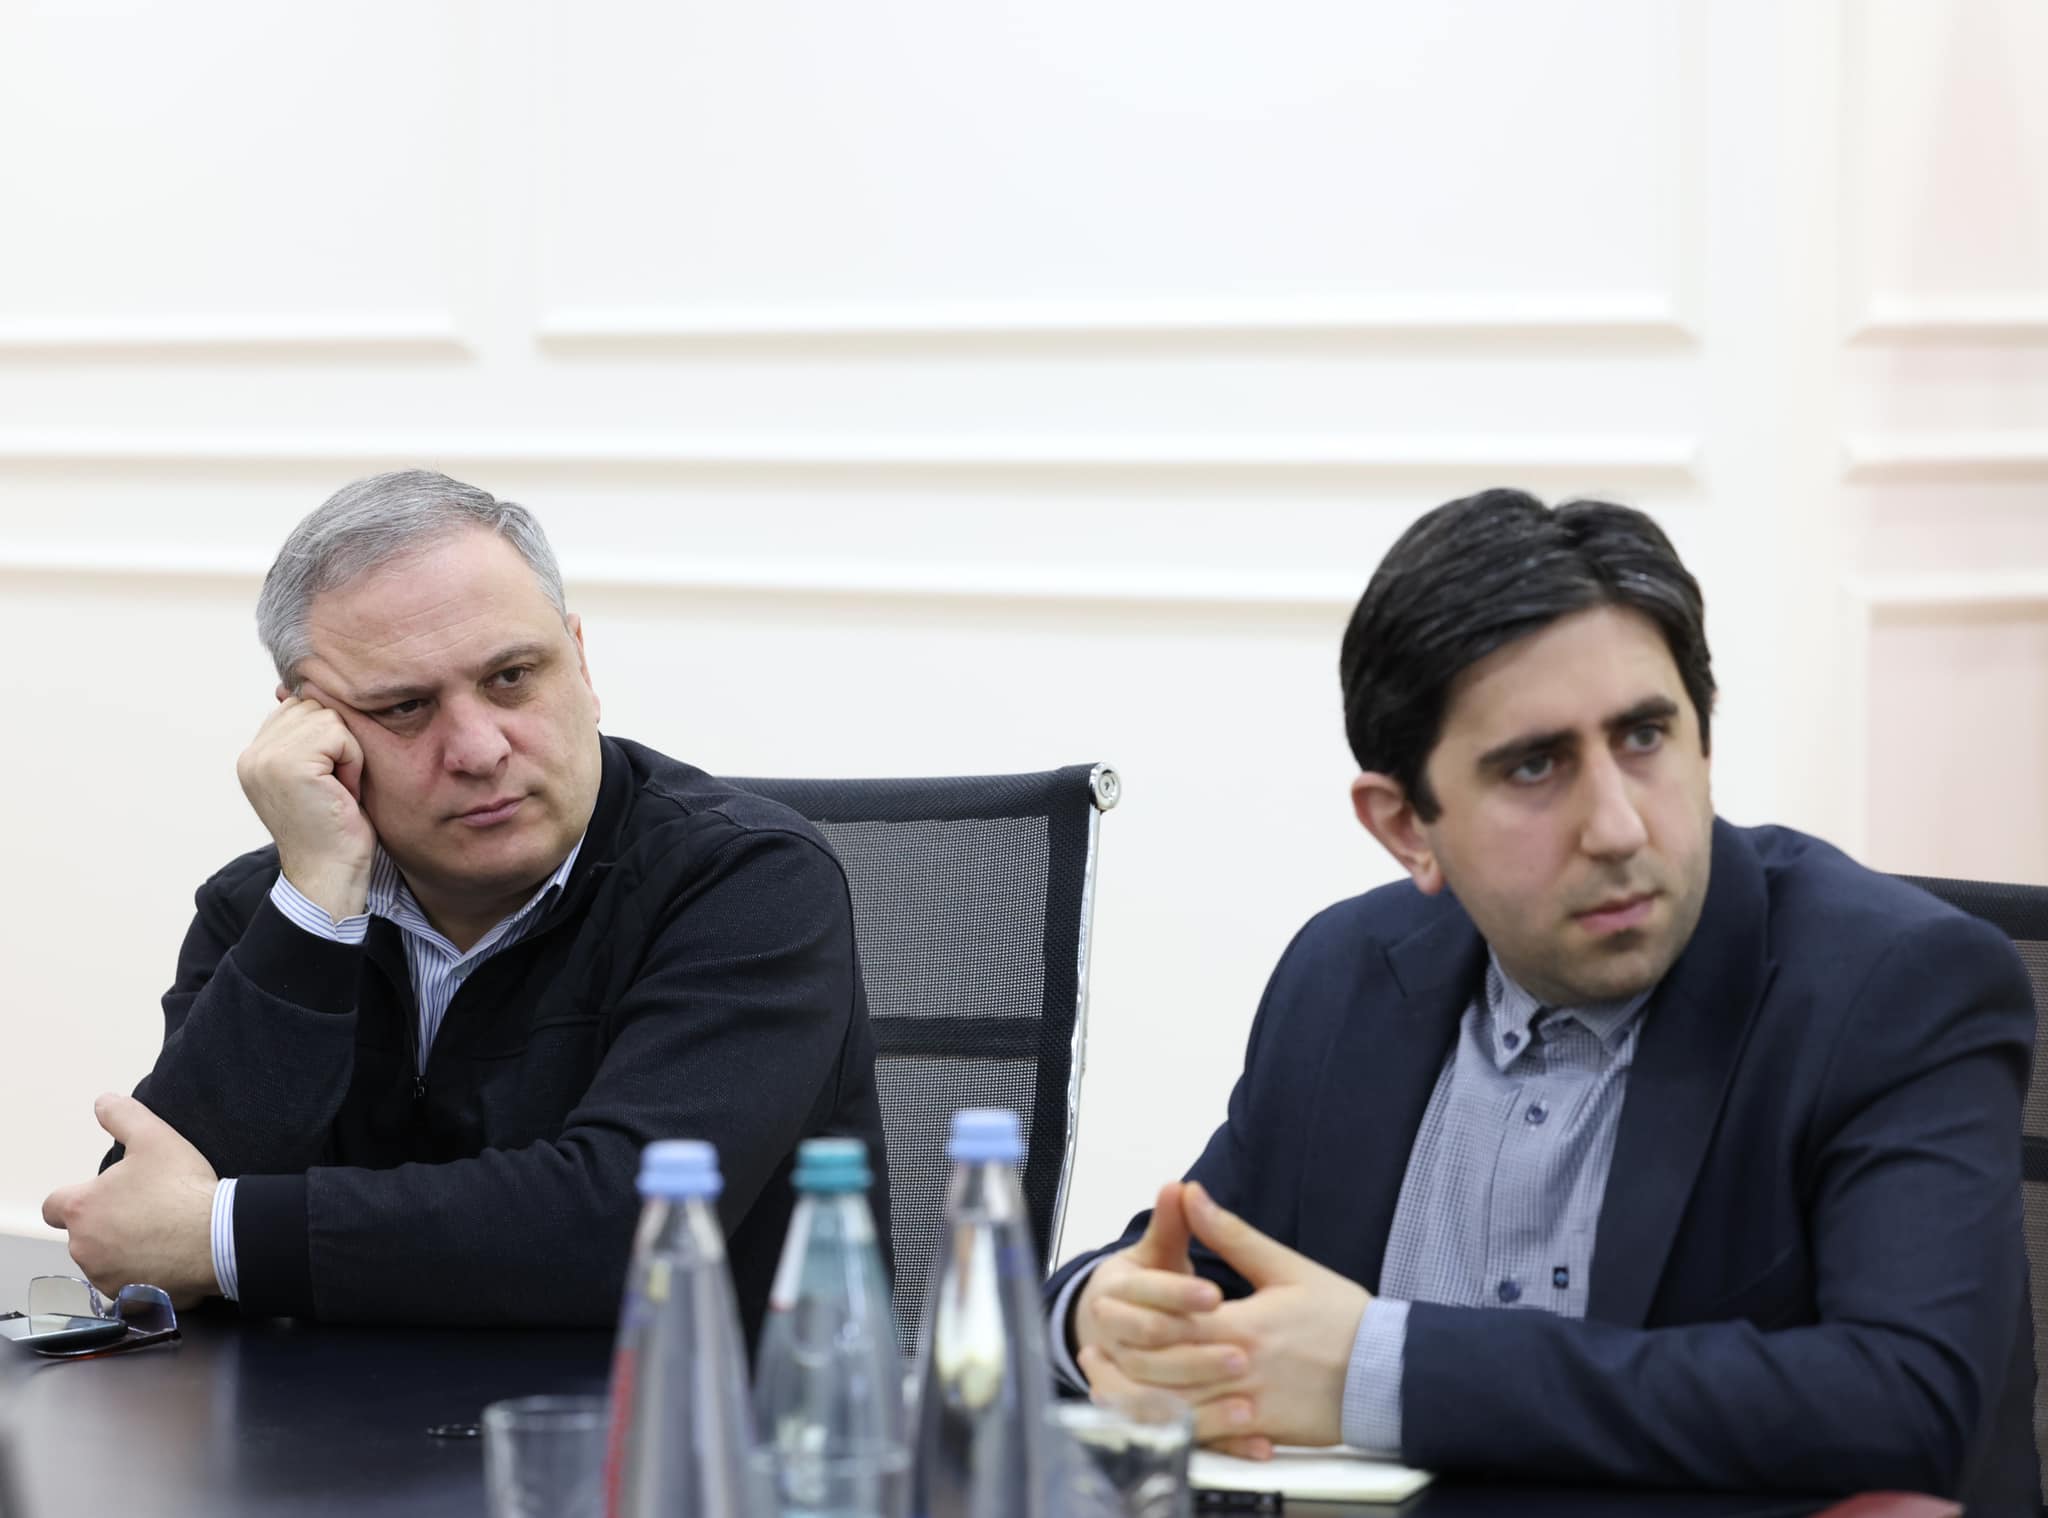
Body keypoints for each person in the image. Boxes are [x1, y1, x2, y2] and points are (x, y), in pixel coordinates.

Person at [1046, 489, 2037, 1508]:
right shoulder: (1348, 974)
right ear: (1406, 827)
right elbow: (1201, 1267)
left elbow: (1905, 1406)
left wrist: (1382, 1372)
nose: (1616, 827)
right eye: (1533, 766)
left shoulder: (1896, 987)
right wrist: (1097, 1315)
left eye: (1644, 737)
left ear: (1702, 741)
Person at [40, 471, 888, 1340]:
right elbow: (149, 1222)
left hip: (662, 1417)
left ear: (581, 662)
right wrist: (316, 907)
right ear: (307, 728)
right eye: (405, 707)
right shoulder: (265, 906)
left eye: (512, 677)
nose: (479, 750)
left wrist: (223, 1236)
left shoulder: (748, 879)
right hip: (319, 1423)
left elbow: (624, 1227)